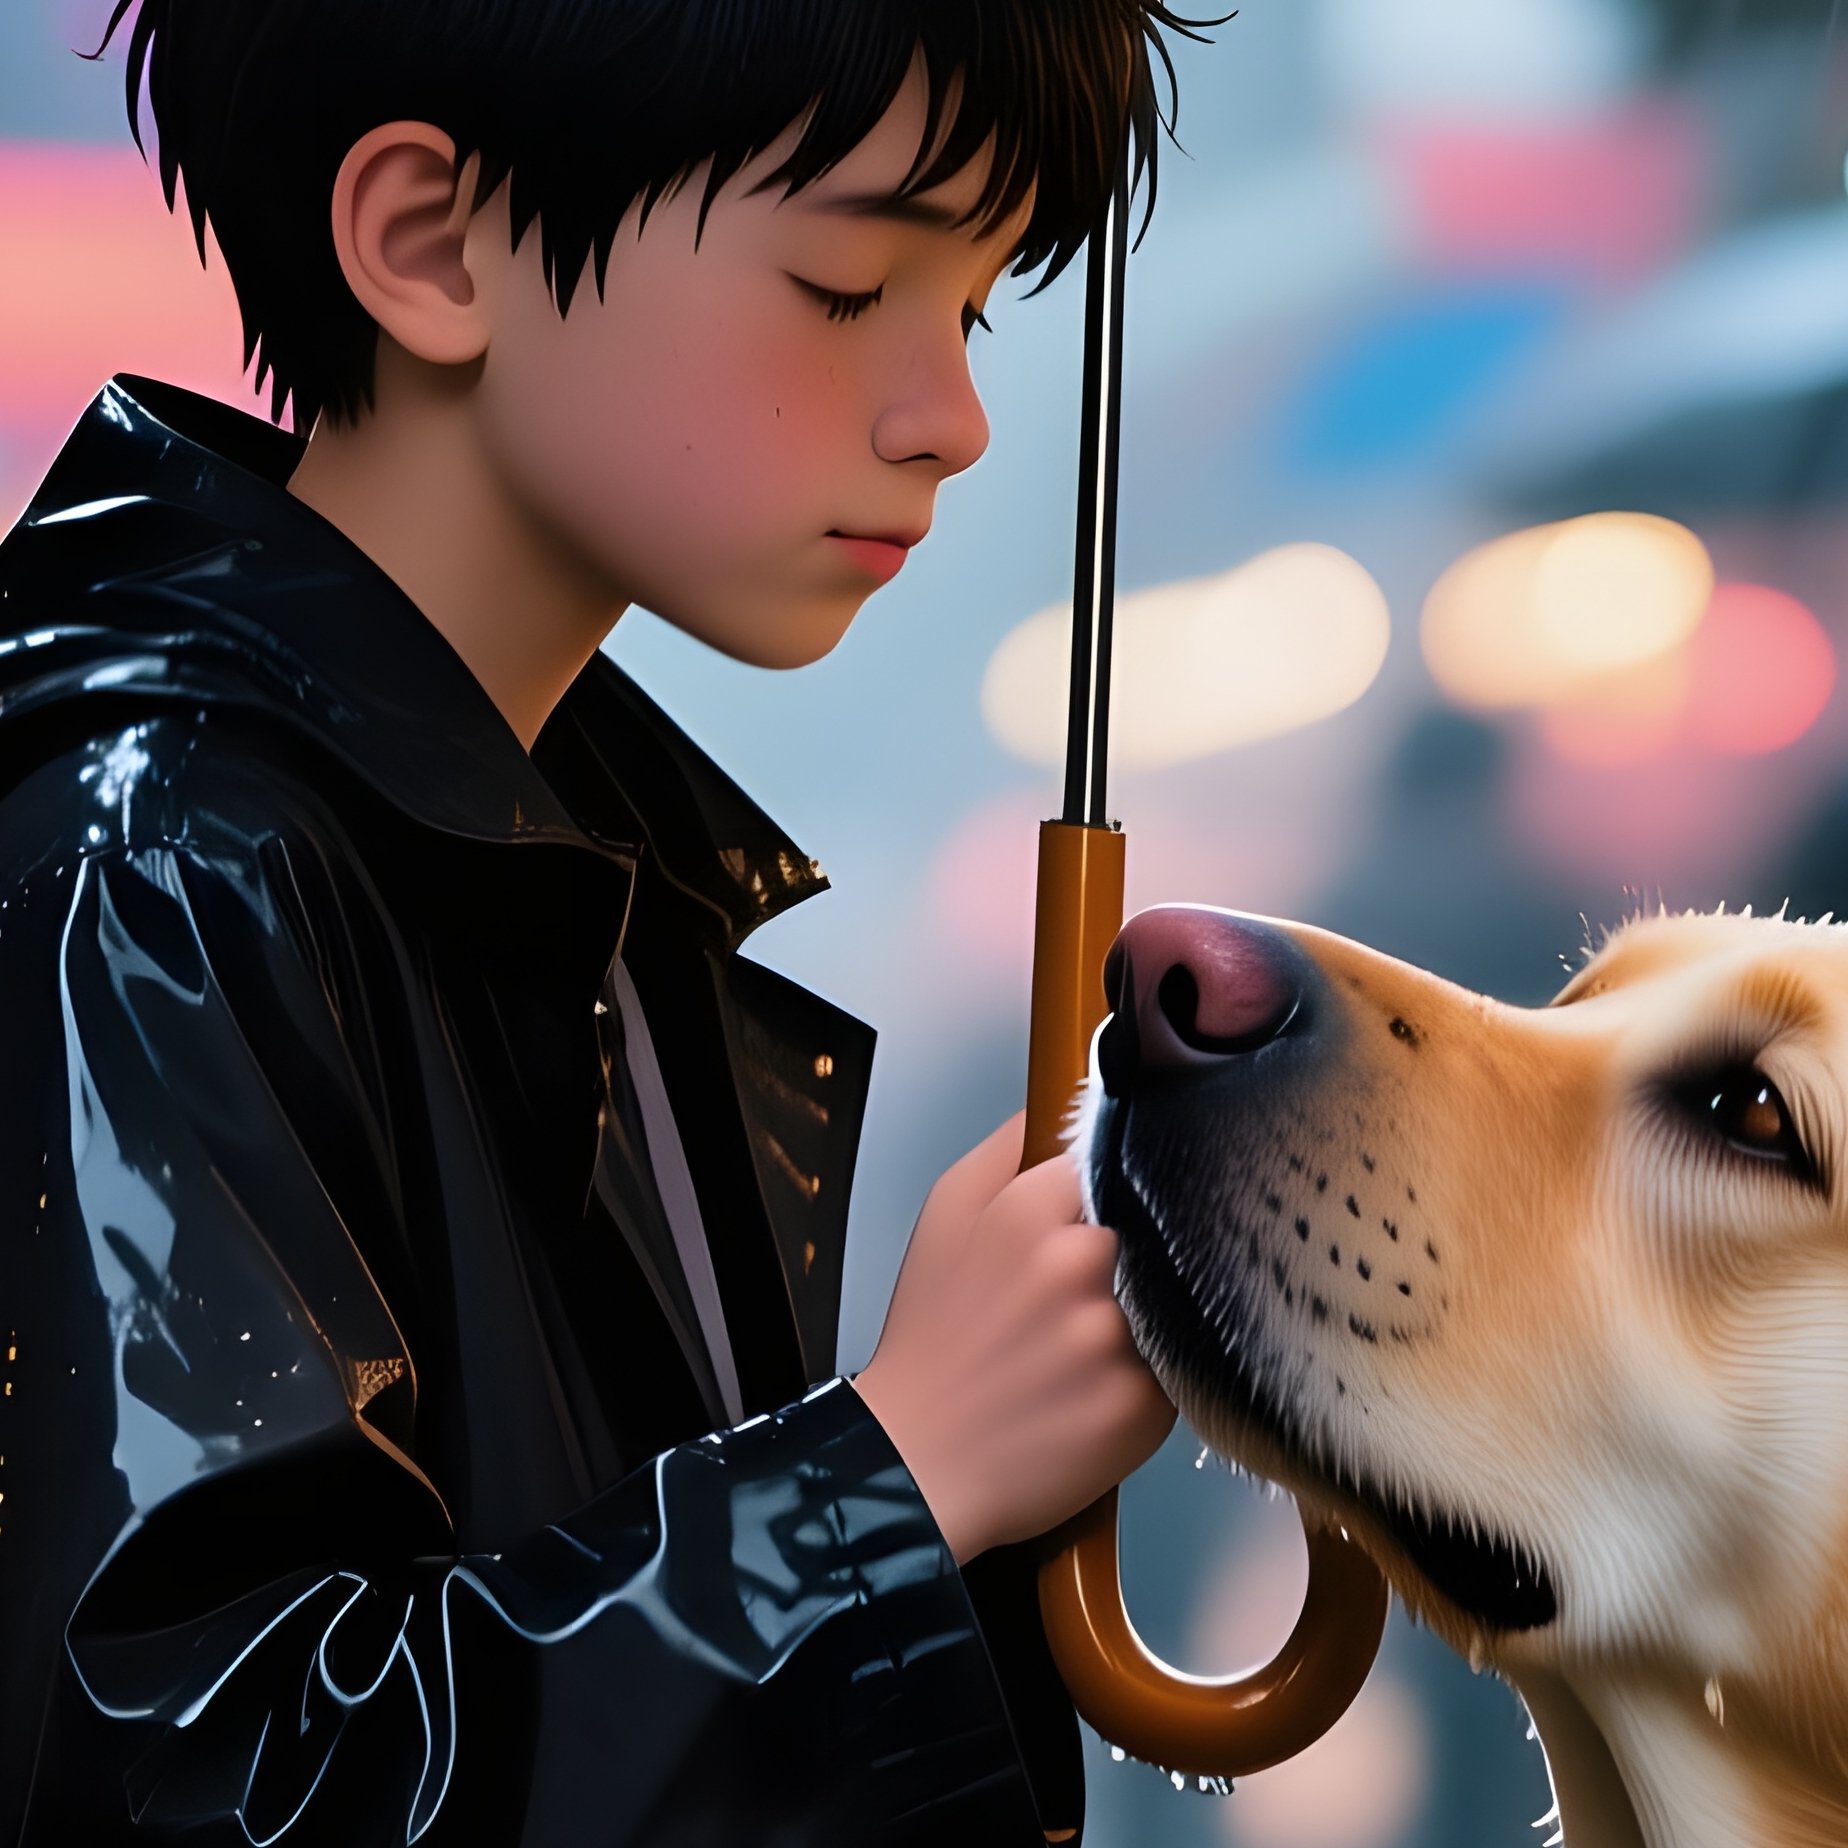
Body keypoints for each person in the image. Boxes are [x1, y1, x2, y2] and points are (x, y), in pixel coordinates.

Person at [0, 2, 1203, 1840]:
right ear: (430, 241)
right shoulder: (159, 867)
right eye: (846, 288)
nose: (949, 419)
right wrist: (890, 1476)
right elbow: (202, 1783)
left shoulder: (576, 875)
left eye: (968, 309)